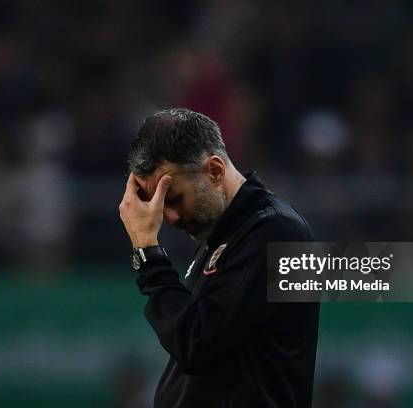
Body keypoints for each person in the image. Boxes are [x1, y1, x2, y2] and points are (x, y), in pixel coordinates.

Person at [119, 108, 320, 407]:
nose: (169, 219)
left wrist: (148, 251)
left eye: (173, 199)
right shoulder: (227, 237)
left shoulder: (275, 232)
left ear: (214, 170)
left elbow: (195, 344)